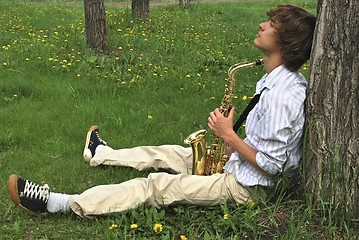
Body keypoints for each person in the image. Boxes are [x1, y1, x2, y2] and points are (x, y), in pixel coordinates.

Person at [8, 4, 316, 218]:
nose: (262, 25)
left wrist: (228, 135)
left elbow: (273, 167)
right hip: (237, 164)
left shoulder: (284, 96)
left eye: (272, 25)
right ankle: (101, 154)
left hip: (247, 187)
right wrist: (228, 139)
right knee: (168, 152)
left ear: (285, 42)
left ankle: (58, 203)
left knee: (157, 185)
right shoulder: (273, 79)